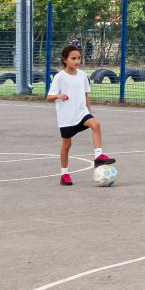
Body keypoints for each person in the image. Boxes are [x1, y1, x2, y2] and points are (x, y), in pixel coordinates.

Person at [46, 45, 115, 186]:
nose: (77, 61)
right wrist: (59, 95)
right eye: (73, 58)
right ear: (65, 60)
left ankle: (98, 156)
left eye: (78, 58)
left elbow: (85, 95)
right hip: (67, 117)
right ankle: (64, 173)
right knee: (67, 144)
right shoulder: (59, 77)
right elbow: (49, 97)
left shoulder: (83, 75)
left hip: (81, 112)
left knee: (95, 124)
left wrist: (89, 111)